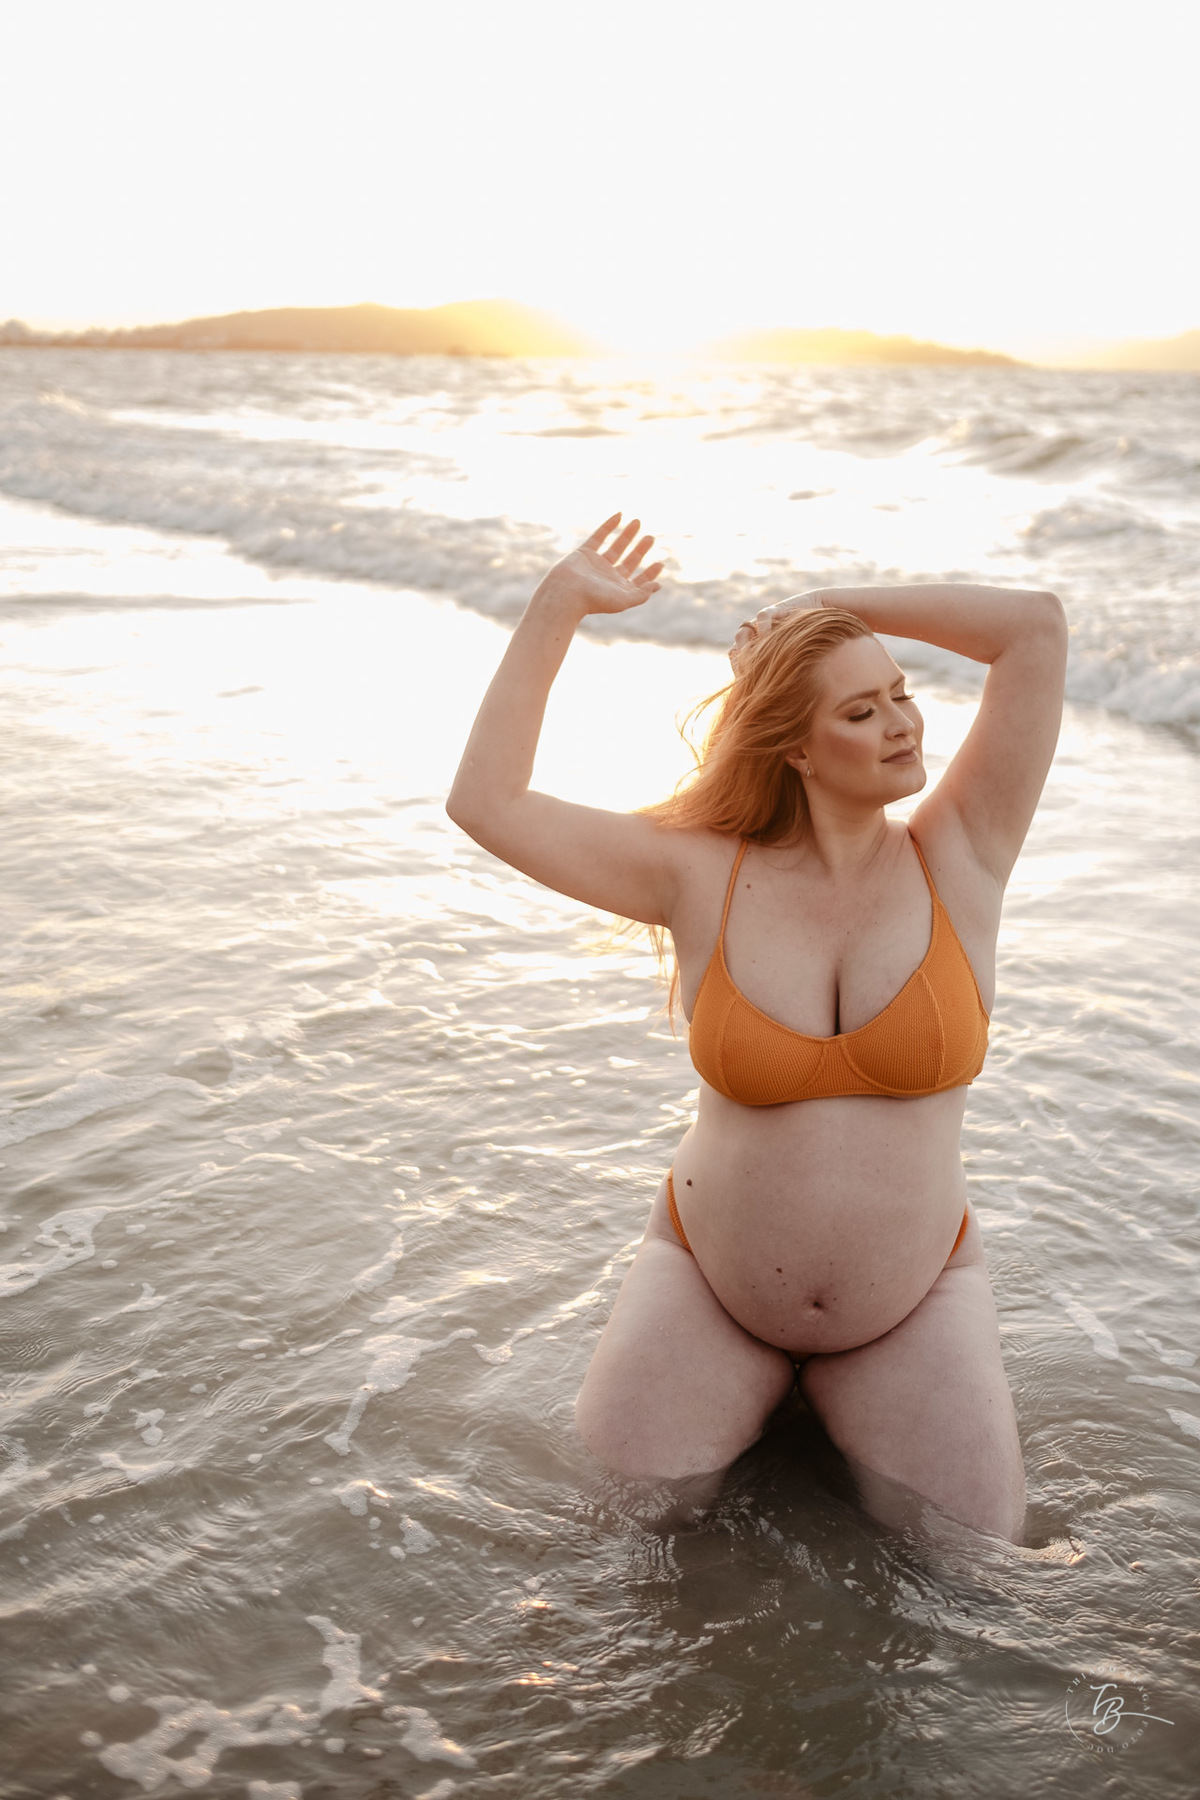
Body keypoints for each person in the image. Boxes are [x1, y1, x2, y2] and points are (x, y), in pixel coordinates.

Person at [446, 512, 1068, 1544]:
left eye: (903, 696)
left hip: (908, 1306)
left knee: (984, 1576)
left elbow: (1034, 630)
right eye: (862, 712)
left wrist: (827, 616)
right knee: (614, 1551)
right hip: (707, 1289)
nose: (904, 724)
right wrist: (560, 603)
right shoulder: (694, 871)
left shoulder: (962, 852)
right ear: (793, 746)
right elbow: (487, 801)